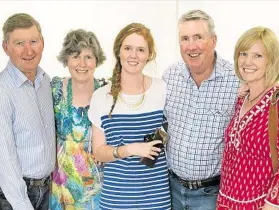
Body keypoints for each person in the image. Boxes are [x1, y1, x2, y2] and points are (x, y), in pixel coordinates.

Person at [216, 26, 279, 210]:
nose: (247, 61)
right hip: (227, 202)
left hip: (262, 205)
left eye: (258, 55)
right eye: (243, 53)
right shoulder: (242, 100)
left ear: (271, 60)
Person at [162, 9, 240, 209]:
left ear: (213, 40)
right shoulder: (170, 77)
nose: (191, 46)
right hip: (171, 190)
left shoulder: (236, 80)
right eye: (184, 39)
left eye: (198, 37)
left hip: (211, 193)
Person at [89, 23, 171, 210]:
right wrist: (130, 149)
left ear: (149, 55)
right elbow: (99, 151)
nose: (133, 55)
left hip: (156, 199)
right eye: (128, 48)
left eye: (140, 50)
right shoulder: (101, 96)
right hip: (116, 200)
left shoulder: (162, 89)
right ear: (119, 52)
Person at [0, 13, 55, 210]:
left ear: (42, 43)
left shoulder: (45, 81)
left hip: (49, 190)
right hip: (14, 196)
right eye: (19, 43)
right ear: (6, 47)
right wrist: (22, 204)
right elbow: (4, 159)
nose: (28, 50)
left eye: (33, 41)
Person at [50, 29, 107, 209]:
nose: (82, 63)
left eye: (88, 57)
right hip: (62, 184)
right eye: (76, 56)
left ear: (96, 60)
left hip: (98, 184)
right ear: (66, 59)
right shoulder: (54, 89)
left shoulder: (107, 92)